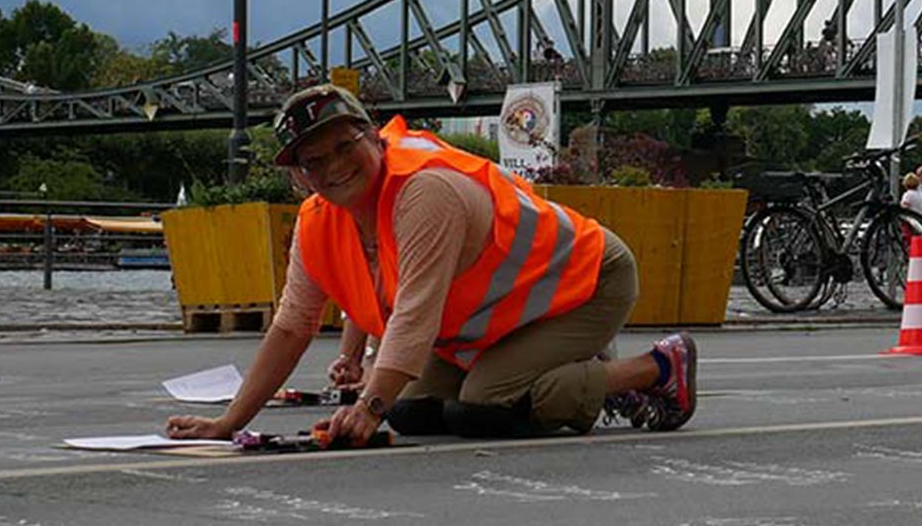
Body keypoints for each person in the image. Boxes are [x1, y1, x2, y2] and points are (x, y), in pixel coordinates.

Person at [166, 84, 697, 447]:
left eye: (344, 145)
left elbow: (414, 313)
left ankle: (651, 370)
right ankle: (568, 367)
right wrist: (230, 422)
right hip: (500, 317)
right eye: (314, 160)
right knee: (412, 411)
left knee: (486, 407)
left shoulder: (422, 194)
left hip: (584, 282)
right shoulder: (317, 223)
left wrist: (366, 408)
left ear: (374, 138)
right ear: (300, 175)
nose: (333, 166)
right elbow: (291, 326)